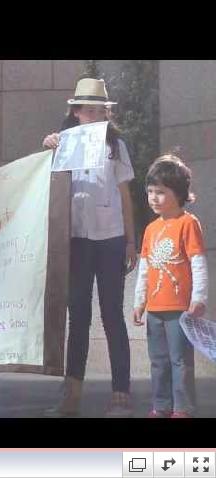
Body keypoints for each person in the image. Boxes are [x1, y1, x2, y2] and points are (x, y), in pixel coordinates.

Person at [42, 78, 137, 417]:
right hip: (77, 240)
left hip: (111, 239)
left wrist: (130, 239)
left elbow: (125, 194)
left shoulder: (116, 146)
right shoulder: (63, 143)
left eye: (102, 111)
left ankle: (121, 393)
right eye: (89, 110)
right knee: (77, 316)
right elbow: (47, 187)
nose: (96, 116)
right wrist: (49, 149)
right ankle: (71, 393)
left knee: (113, 315)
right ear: (76, 112)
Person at [133, 155, 207, 418]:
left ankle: (182, 407)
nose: (154, 198)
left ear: (178, 193)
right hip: (154, 309)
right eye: (150, 192)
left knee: (180, 361)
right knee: (158, 361)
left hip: (179, 309)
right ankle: (161, 405)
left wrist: (198, 298)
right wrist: (139, 302)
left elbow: (198, 262)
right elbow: (144, 268)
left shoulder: (188, 223)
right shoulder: (151, 229)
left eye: (161, 192)